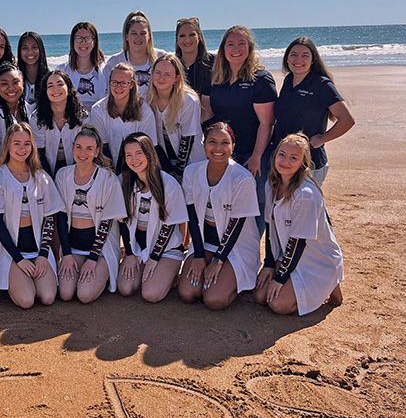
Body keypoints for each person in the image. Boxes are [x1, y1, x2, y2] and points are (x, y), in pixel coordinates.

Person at [253, 133, 344, 315]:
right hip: (290, 254)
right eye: (282, 154)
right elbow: (270, 229)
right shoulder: (271, 185)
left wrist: (280, 278)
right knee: (260, 296)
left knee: (279, 305)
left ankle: (329, 282)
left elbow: (299, 242)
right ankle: (293, 281)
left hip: (315, 259)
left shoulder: (306, 194)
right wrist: (269, 264)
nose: (285, 161)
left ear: (303, 162)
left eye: (294, 158)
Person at [201, 25, 276, 232]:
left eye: (241, 43)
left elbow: (267, 122)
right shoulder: (215, 77)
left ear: (249, 47)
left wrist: (256, 157)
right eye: (230, 44)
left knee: (257, 203)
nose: (236, 49)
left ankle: (253, 247)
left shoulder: (260, 79)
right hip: (224, 152)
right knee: (226, 200)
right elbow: (205, 112)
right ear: (223, 49)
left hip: (253, 152)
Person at [178, 122, 261, 309]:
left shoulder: (243, 178)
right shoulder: (191, 172)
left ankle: (232, 281)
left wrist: (218, 260)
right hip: (205, 243)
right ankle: (214, 273)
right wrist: (198, 255)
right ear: (204, 145)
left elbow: (236, 224)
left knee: (214, 300)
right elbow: (192, 216)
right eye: (212, 142)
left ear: (233, 146)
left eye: (225, 143)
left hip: (235, 247)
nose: (218, 148)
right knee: (187, 293)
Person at [0, 123, 65, 308]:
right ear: (7, 146)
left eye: (27, 143)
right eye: (17, 143)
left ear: (33, 146)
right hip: (10, 253)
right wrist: (18, 259)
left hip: (37, 249)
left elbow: (50, 219)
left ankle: (32, 275)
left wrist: (43, 255)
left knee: (48, 297)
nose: (22, 148)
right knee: (27, 301)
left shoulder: (41, 177)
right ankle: (15, 278)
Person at [55, 126, 127, 303]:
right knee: (65, 293)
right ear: (72, 148)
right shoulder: (62, 175)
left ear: (96, 151)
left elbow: (107, 222)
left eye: (89, 148)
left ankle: (105, 272)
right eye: (78, 147)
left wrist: (93, 258)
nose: (82, 152)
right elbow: (61, 218)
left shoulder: (107, 177)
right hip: (74, 248)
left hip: (101, 250)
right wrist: (67, 253)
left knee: (84, 295)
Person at [273, 37, 355, 185]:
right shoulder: (288, 80)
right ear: (287, 59)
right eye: (294, 54)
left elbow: (347, 120)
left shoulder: (321, 84)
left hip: (310, 162)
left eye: (305, 55)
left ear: (312, 60)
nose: (298, 59)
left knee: (308, 205)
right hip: (284, 160)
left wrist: (322, 139)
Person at [117, 133, 188, 302]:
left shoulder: (169, 184)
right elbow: (122, 222)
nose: (134, 159)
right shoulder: (123, 181)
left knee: (150, 294)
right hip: (137, 247)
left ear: (149, 153)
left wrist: (155, 257)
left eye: (139, 153)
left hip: (165, 249)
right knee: (125, 288)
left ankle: (170, 273)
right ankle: (148, 270)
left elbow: (170, 226)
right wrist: (129, 253)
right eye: (129, 155)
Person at [88, 62, 157, 168]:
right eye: (114, 82)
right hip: (108, 167)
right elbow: (103, 148)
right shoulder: (98, 110)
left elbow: (147, 149)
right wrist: (112, 177)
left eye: (123, 83)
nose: (118, 87)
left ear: (131, 85)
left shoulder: (145, 111)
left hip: (138, 166)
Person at [146, 53, 204, 176]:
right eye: (158, 73)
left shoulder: (188, 100)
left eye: (168, 74)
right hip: (164, 164)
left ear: (176, 78)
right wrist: (167, 170)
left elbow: (187, 139)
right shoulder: (145, 100)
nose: (161, 78)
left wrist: (178, 173)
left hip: (190, 163)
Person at [34, 69, 87, 177]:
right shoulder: (36, 118)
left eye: (60, 84)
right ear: (45, 91)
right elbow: (39, 153)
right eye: (50, 86)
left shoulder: (83, 116)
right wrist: (49, 179)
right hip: (46, 170)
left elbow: (86, 148)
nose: (55, 89)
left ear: (68, 88)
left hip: (78, 167)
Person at [104, 11, 167, 96]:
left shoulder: (161, 57)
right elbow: (107, 96)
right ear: (126, 36)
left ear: (149, 35)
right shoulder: (114, 62)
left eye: (143, 33)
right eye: (134, 33)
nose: (138, 38)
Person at [57, 22, 107, 110]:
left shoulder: (105, 70)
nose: (83, 42)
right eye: (78, 38)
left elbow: (108, 103)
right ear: (73, 41)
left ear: (94, 42)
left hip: (98, 120)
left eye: (88, 38)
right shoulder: (62, 71)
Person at [175, 17, 215, 95]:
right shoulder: (172, 65)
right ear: (177, 39)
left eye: (192, 35)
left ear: (199, 37)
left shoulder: (214, 63)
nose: (187, 40)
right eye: (182, 36)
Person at [17, 31, 50, 106]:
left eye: (34, 47)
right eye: (25, 48)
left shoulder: (50, 76)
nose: (30, 52)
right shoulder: (14, 77)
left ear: (41, 49)